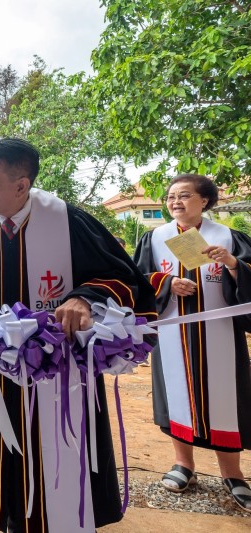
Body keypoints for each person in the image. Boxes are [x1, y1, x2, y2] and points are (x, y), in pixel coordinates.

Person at [0, 138, 155, 532]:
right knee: (6, 451)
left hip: (63, 373)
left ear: (22, 185)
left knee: (64, 456)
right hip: (0, 371)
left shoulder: (67, 220)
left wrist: (85, 298)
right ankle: (15, 518)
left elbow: (123, 277)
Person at [134, 174, 251, 510]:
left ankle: (233, 474)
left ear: (205, 201)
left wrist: (232, 265)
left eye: (184, 196)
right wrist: (166, 283)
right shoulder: (155, 239)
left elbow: (249, 273)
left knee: (226, 399)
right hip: (172, 334)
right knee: (177, 396)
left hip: (222, 335)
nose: (175, 202)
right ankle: (184, 465)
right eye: (171, 197)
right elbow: (135, 280)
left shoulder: (228, 237)